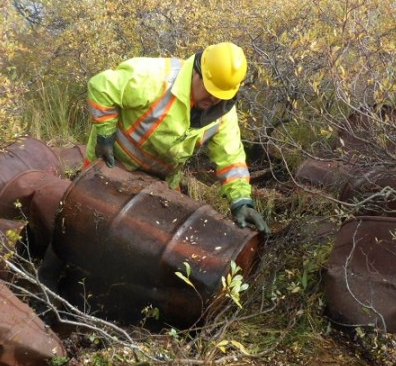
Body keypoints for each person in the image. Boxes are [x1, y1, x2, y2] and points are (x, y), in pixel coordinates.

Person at [84, 42, 270, 234]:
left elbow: (231, 158)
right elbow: (102, 86)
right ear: (197, 71)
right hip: (110, 163)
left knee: (142, 235)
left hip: (159, 180)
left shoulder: (223, 113)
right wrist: (105, 134)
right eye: (209, 89)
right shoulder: (156, 77)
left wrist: (241, 202)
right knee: (87, 217)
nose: (214, 99)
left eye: (220, 95)